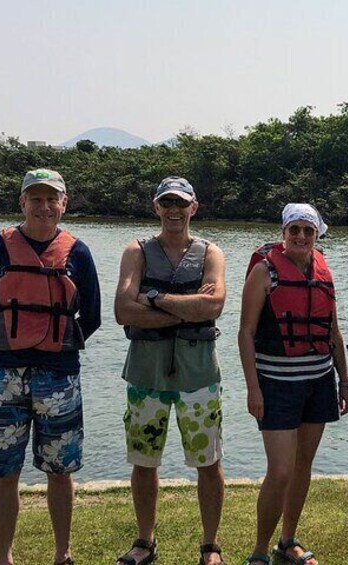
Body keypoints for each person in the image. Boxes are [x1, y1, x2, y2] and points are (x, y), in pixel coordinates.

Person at [0, 168, 101, 565]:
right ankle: (5, 556)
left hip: (59, 376)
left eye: (51, 198)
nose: (43, 207)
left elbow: (91, 316)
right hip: (3, 375)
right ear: (22, 203)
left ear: (64, 204)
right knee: (5, 471)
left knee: (61, 469)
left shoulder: (78, 253)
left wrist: (56, 349)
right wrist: (3, 348)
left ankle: (62, 554)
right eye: (35, 199)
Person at [113, 176, 228, 565]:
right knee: (144, 462)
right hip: (146, 375)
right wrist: (186, 309)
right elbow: (123, 311)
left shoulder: (211, 252)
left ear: (194, 207)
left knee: (208, 462)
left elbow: (214, 307)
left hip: (199, 376)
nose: (174, 210)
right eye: (167, 203)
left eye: (182, 203)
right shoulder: (137, 251)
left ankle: (210, 545)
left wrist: (157, 300)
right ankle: (144, 542)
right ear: (156, 207)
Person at [238, 203, 348, 565]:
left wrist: (345, 381)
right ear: (284, 232)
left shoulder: (324, 271)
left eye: (308, 230)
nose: (301, 236)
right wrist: (252, 388)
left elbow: (333, 333)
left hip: (318, 381)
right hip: (276, 383)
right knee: (281, 469)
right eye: (294, 230)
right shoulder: (265, 271)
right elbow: (245, 333)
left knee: (303, 464)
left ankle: (287, 542)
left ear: (317, 234)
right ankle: (259, 549)